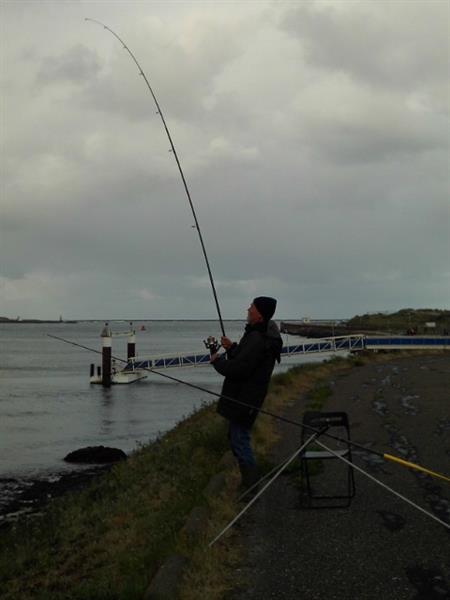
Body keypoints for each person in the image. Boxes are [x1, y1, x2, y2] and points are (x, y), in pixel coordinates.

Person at [210, 297, 282, 489]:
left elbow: (239, 369)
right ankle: (249, 482)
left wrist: (217, 362)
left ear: (260, 315)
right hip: (245, 397)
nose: (248, 309)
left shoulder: (257, 338)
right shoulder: (257, 335)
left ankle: (251, 487)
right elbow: (246, 359)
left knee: (239, 440)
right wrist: (232, 348)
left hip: (245, 398)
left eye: (252, 307)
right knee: (236, 438)